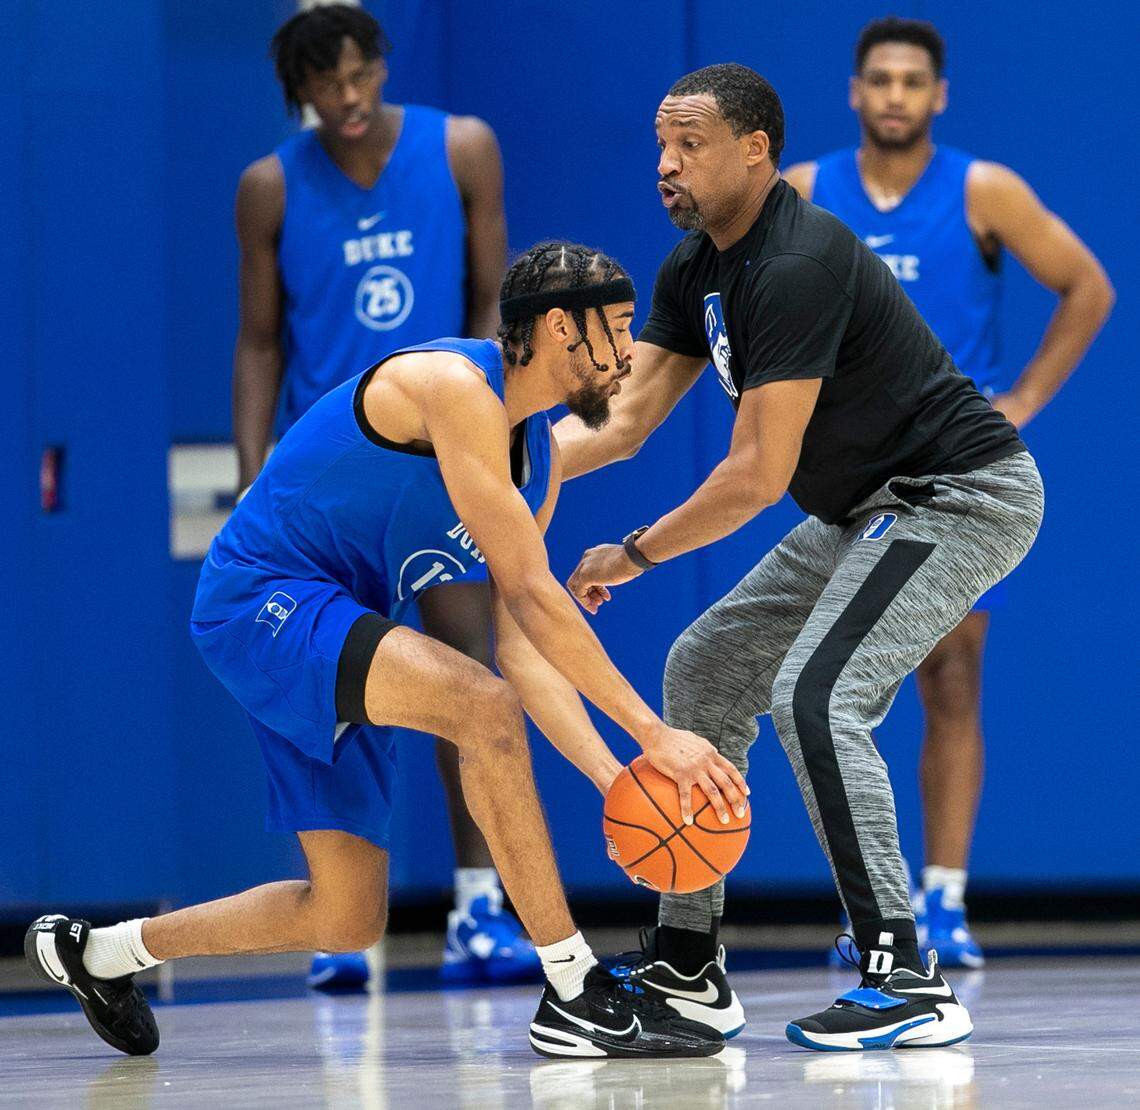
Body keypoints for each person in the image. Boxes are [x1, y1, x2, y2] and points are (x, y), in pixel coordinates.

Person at [25, 241, 748, 1060]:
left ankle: (100, 953)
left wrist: (617, 777)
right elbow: (532, 594)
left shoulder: (537, 459)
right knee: (481, 707)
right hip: (261, 599)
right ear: (558, 328)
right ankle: (573, 987)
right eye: (615, 329)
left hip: (340, 623)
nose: (626, 357)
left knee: (346, 916)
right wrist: (655, 734)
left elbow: (524, 648)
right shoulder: (454, 387)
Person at [555, 63, 1045, 1052]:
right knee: (705, 667)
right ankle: (687, 969)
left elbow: (755, 476)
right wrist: (499, 467)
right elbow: (625, 420)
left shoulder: (795, 263)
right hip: (864, 506)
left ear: (755, 152)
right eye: (661, 145)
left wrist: (634, 552)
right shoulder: (694, 267)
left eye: (690, 144)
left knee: (821, 695)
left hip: (961, 495)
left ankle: (903, 975)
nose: (666, 164)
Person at [780, 16, 1113, 968]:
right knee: (835, 684)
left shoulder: (983, 191)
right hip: (845, 475)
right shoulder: (805, 192)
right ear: (855, 92)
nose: (896, 95)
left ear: (939, 95)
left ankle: (945, 897)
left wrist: (1024, 400)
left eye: (912, 81)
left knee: (951, 676)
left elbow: (1087, 286)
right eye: (880, 79)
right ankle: (871, 907)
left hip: (950, 474)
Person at [233, 4, 524, 988]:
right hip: (324, 485)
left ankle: (479, 911)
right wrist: (252, 474)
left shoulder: (463, 148)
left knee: (471, 677)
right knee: (333, 693)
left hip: (441, 462)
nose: (348, 97)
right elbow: (259, 342)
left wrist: (487, 429)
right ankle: (336, 919)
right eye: (326, 84)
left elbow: (492, 302)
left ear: (382, 66)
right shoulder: (270, 187)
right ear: (299, 93)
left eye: (360, 75)